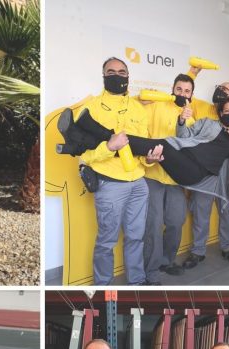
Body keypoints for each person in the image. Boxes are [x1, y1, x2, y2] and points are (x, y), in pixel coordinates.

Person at [59, 96, 229, 270]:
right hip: (185, 160)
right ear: (220, 112)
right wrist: (181, 121)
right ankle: (82, 140)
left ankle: (85, 136)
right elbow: (184, 134)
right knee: (158, 146)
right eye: (227, 110)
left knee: (160, 145)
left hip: (201, 175)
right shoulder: (208, 123)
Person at [77, 57, 150, 285]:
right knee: (107, 241)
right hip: (110, 185)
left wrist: (149, 159)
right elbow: (83, 155)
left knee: (136, 237)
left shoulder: (139, 108)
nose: (117, 75)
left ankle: (136, 282)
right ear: (103, 76)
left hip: (139, 183)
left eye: (121, 71)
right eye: (111, 72)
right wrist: (109, 147)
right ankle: (102, 287)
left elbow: (143, 146)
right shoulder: (90, 108)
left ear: (128, 76)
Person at [142, 74, 195, 281]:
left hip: (175, 179)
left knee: (175, 221)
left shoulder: (191, 117)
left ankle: (167, 260)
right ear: (172, 89)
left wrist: (183, 120)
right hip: (152, 175)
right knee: (153, 225)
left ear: (191, 94)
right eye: (179, 89)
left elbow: (191, 146)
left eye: (187, 91)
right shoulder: (156, 106)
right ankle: (151, 271)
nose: (182, 93)